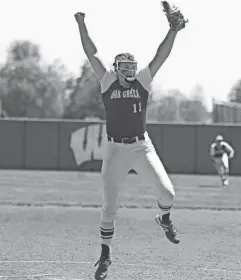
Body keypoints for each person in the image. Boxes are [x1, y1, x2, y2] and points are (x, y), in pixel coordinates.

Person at [74, 6, 186, 280]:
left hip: (140, 146)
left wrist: (172, 31)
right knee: (109, 205)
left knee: (168, 195)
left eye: (132, 66)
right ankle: (105, 255)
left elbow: (161, 55)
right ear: (116, 69)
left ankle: (164, 218)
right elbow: (92, 52)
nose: (131, 70)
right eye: (125, 67)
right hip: (114, 149)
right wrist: (80, 23)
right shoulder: (107, 81)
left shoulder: (143, 82)